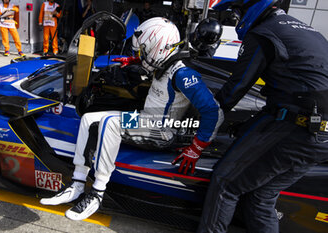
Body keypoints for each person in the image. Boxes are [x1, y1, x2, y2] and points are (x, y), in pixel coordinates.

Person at [40, 17, 224, 221]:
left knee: (110, 124)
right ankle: (77, 183)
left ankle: (97, 193)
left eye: (144, 50)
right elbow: (151, 66)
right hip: (146, 120)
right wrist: (134, 61)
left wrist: (196, 147)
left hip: (163, 131)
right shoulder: (165, 61)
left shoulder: (183, 74)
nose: (142, 54)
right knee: (89, 119)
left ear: (159, 47)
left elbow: (214, 111)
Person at [198, 0, 328, 233]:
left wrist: (202, 122)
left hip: (296, 127)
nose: (235, 18)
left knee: (225, 182)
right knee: (261, 196)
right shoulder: (303, 30)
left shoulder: (264, 34)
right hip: (319, 136)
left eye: (236, 12)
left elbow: (235, 89)